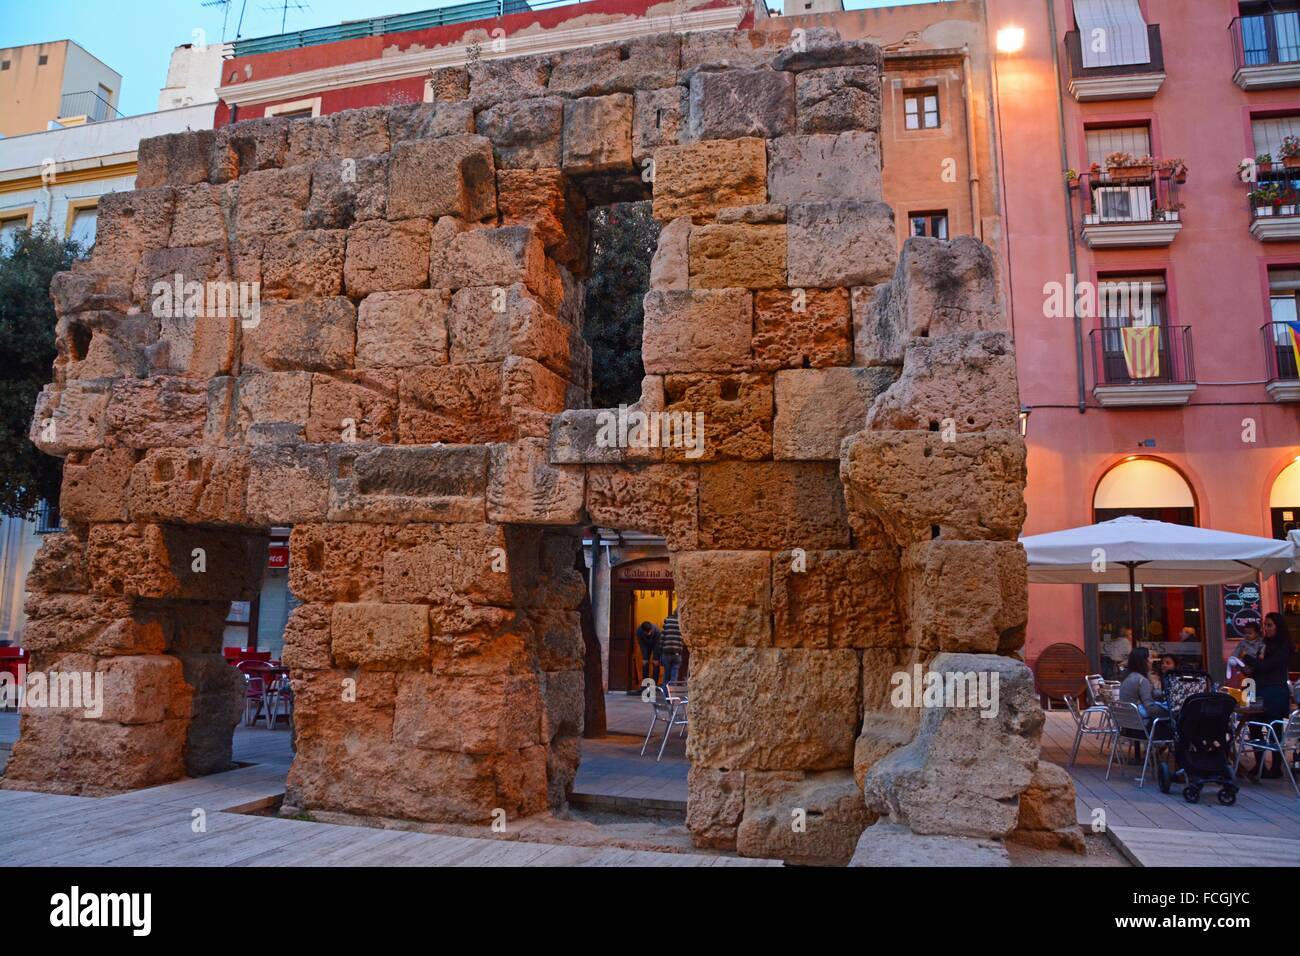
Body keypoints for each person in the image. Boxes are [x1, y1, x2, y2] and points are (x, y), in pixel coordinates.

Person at [1241, 612, 1295, 779]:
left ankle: (1276, 767)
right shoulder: (1262, 644)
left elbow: (1268, 666)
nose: (1266, 628)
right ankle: (1260, 764)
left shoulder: (1284, 646)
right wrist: (1245, 667)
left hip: (1274, 691)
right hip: (1257, 688)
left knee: (1274, 728)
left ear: (1278, 627)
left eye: (1270, 625)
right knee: (1254, 725)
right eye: (1265, 625)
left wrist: (1247, 657)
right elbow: (1258, 667)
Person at [1119, 648, 1169, 726]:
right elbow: (1150, 708)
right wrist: (1172, 711)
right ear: (1144, 660)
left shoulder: (1128, 676)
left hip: (1128, 722)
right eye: (1150, 657)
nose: (1152, 661)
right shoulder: (1141, 680)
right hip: (1141, 725)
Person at [659, 611, 684, 686]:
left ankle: (666, 695)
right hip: (677, 653)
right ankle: (672, 695)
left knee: (666, 675)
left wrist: (660, 652)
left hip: (666, 653)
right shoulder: (681, 623)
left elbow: (662, 638)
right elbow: (683, 639)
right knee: (674, 676)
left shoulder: (667, 622)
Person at [635, 621, 660, 687]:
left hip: (655, 644)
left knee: (656, 663)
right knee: (645, 663)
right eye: (647, 632)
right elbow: (642, 645)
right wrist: (645, 657)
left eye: (649, 632)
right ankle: (645, 684)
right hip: (645, 645)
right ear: (643, 631)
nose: (649, 634)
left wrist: (656, 657)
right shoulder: (639, 632)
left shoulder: (656, 630)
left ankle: (654, 685)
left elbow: (657, 644)